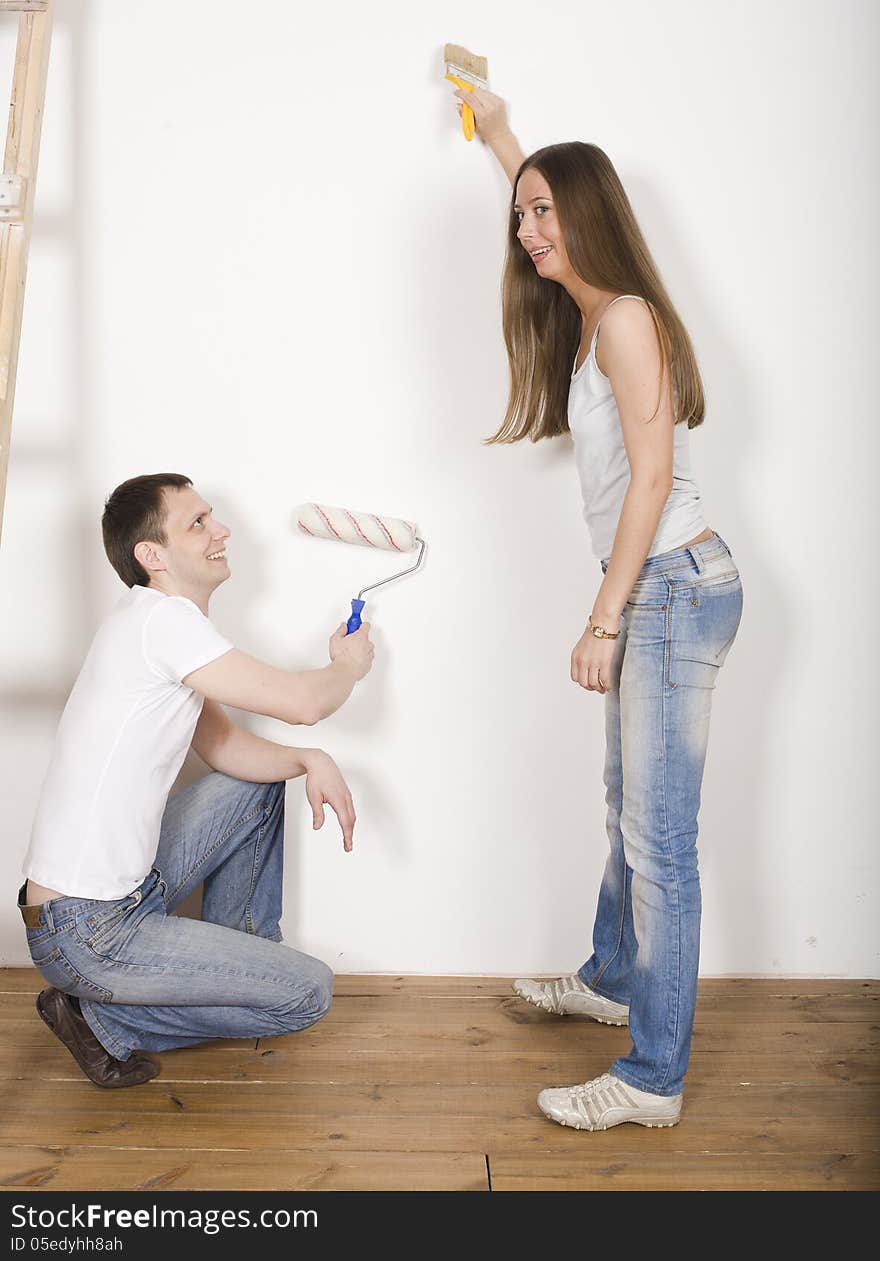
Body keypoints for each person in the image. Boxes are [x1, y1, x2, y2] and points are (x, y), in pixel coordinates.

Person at [452, 87, 743, 1131]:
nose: (529, 229)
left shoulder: (624, 322)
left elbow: (652, 481)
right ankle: (613, 975)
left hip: (668, 590)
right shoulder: (592, 309)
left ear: (592, 214)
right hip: (656, 589)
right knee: (631, 810)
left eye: (546, 212)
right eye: (519, 213)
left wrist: (603, 618)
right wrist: (500, 142)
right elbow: (548, 200)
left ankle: (652, 1079)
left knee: (660, 843)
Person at [18, 473, 374, 1088]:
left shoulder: (152, 624)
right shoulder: (163, 623)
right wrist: (347, 667)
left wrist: (309, 759)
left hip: (108, 904)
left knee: (255, 787)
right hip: (88, 931)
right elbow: (301, 702)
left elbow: (227, 749)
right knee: (306, 994)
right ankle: (104, 1024)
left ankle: (239, 953)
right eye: (199, 523)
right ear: (152, 557)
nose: (222, 530)